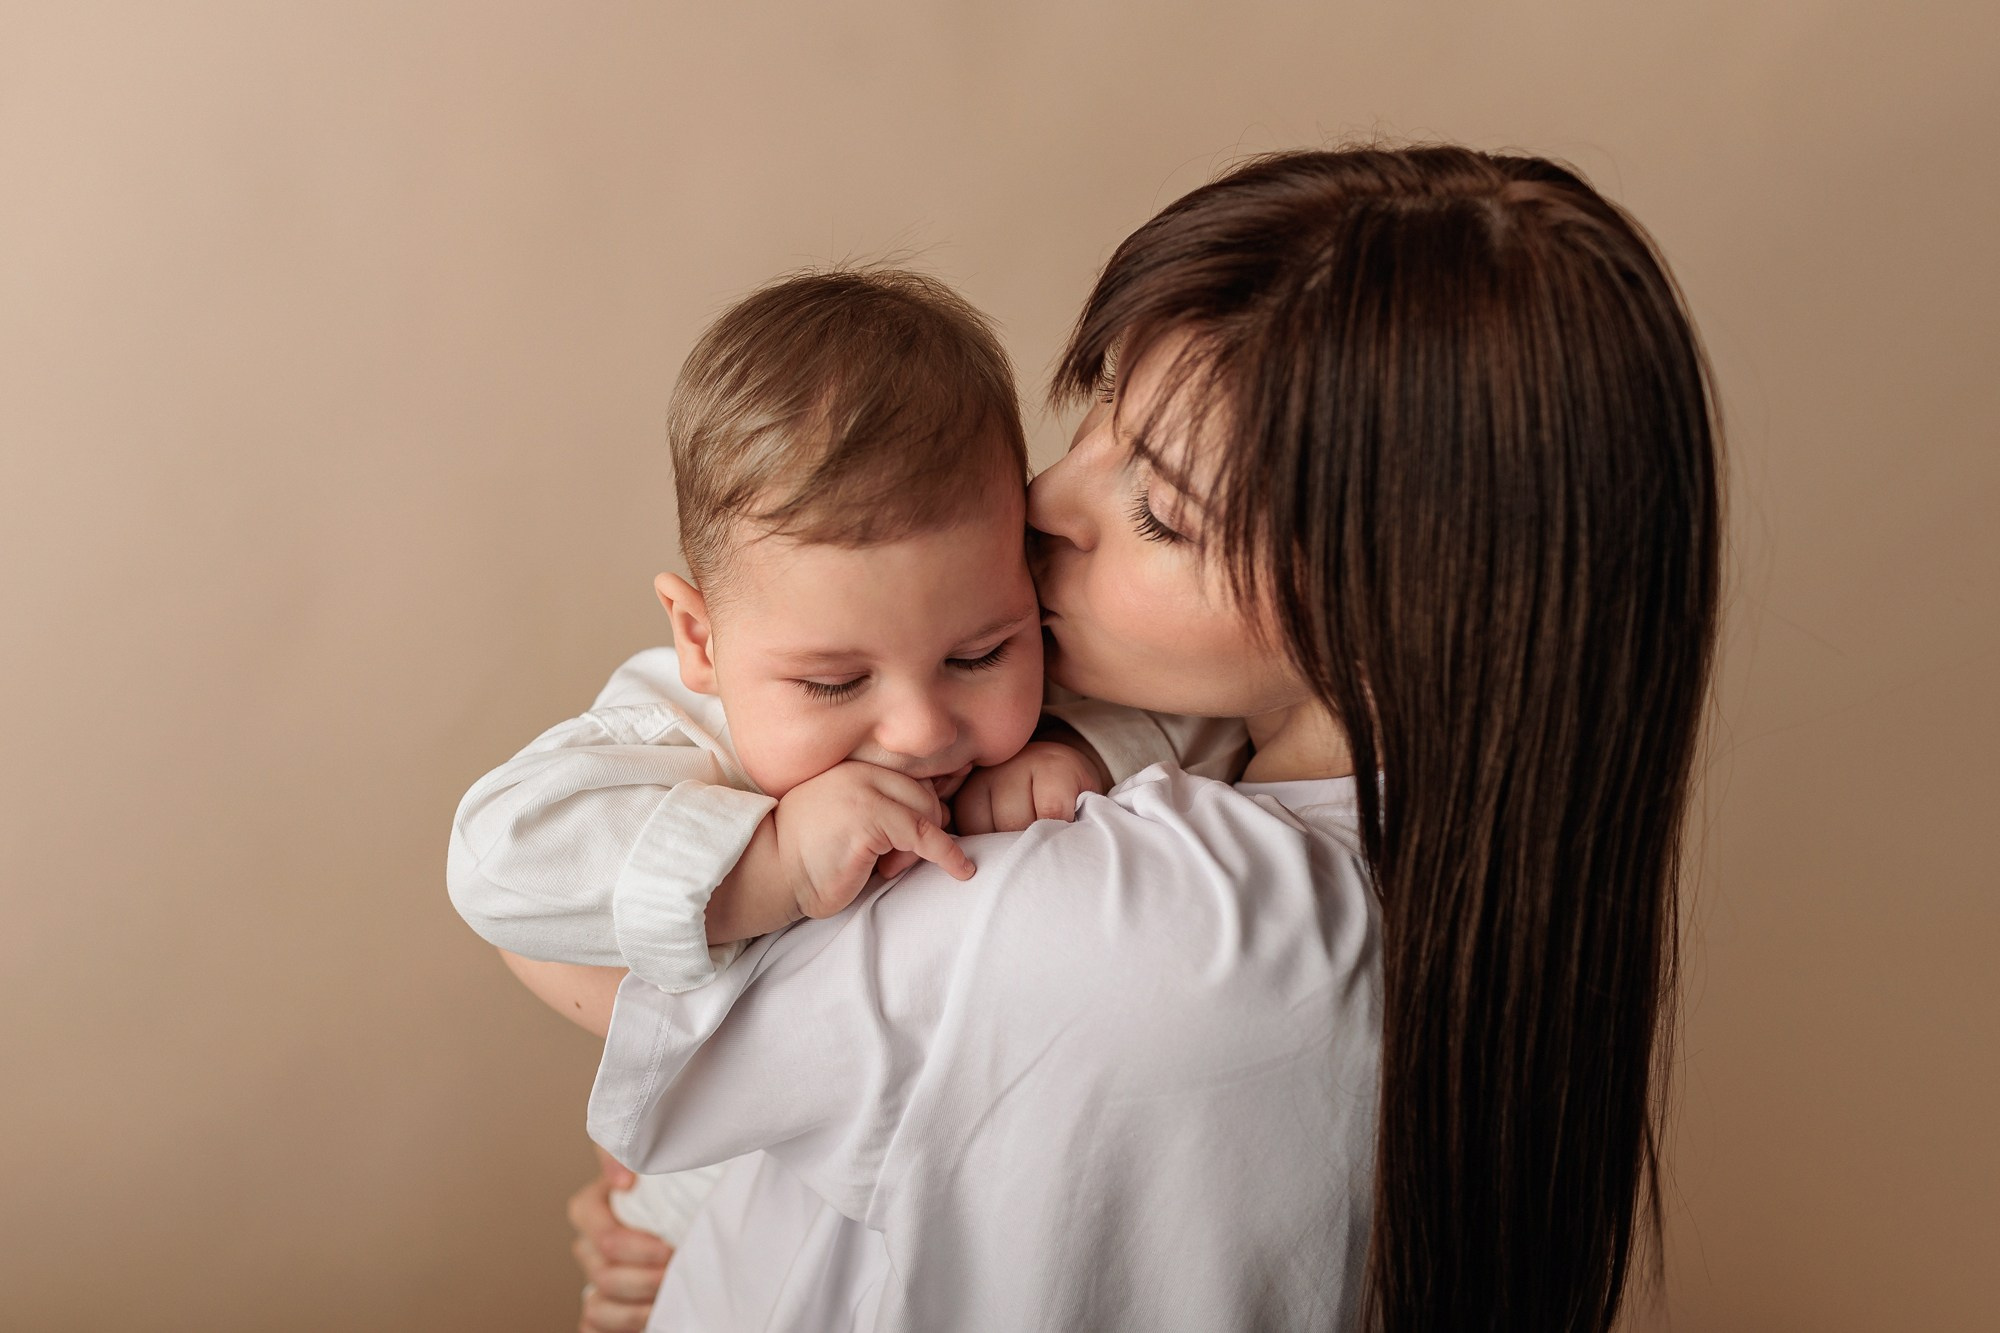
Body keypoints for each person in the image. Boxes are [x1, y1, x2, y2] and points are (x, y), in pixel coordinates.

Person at [522, 145, 1722, 1332]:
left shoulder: (1155, 922)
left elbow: (577, 951)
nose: (1042, 501)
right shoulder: (1451, 887)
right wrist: (709, 1231)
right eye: (1096, 411)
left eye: (1160, 511)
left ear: (1397, 604)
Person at [448, 268, 1246, 1255]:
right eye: (833, 683)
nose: (918, 729)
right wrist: (771, 862)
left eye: (978, 656)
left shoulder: (1054, 707)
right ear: (701, 637)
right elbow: (496, 858)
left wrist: (1082, 747)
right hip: (699, 1216)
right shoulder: (682, 727)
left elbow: (1219, 721)